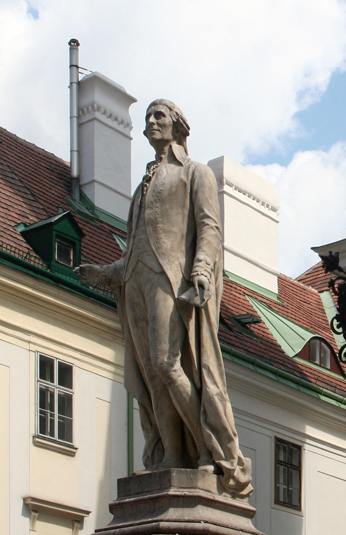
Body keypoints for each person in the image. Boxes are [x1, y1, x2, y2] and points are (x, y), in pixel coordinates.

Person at [77, 99, 252, 496]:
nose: (151, 123)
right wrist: (104, 274)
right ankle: (172, 456)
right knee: (150, 374)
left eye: (160, 116)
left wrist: (202, 270)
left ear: (178, 126)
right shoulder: (142, 187)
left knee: (168, 363)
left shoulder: (196, 173)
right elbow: (134, 250)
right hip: (136, 282)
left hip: (171, 281)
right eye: (148, 118)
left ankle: (208, 448)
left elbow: (210, 228)